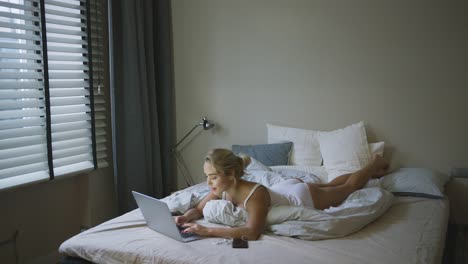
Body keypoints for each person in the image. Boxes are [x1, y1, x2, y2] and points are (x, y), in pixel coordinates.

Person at [175, 148, 389, 241]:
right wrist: (185, 218)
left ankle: (374, 165)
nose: (208, 182)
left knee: (347, 189)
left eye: (212, 176)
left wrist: (208, 230)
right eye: (207, 176)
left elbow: (251, 233)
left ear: (230, 174)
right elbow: (199, 209)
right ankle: (366, 171)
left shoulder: (254, 194)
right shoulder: (221, 188)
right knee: (330, 185)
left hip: (302, 196)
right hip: (284, 188)